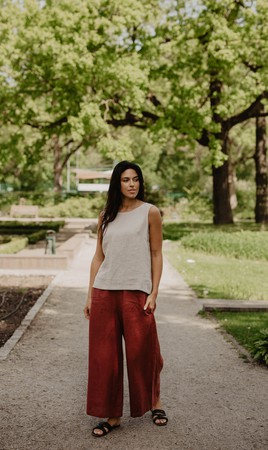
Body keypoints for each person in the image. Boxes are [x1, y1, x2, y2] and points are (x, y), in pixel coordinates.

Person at [83, 160, 168, 437]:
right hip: (105, 290)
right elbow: (99, 257)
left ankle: (155, 401)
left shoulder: (150, 213)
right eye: (126, 180)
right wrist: (89, 294)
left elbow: (156, 253)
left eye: (136, 179)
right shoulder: (105, 215)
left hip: (136, 291)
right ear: (116, 184)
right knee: (104, 357)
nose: (132, 184)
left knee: (143, 351)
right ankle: (112, 416)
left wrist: (154, 291)